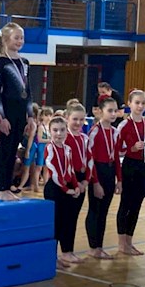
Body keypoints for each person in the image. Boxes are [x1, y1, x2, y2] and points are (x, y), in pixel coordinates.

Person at [0, 22, 34, 201]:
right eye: (16, 37)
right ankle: (1, 188)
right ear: (6, 40)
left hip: (20, 112)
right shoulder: (0, 62)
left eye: (22, 38)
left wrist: (30, 116)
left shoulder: (25, 62)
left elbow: (28, 91)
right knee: (5, 150)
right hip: (7, 111)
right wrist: (1, 117)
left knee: (13, 152)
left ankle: (7, 187)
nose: (20, 41)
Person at [116, 89, 145, 256]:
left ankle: (130, 242)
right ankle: (121, 243)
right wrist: (132, 148)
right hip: (130, 166)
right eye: (137, 103)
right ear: (129, 104)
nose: (140, 106)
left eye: (143, 103)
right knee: (126, 204)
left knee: (137, 205)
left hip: (143, 166)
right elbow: (118, 149)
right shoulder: (124, 125)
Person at [86, 96, 122, 260]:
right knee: (95, 210)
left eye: (115, 111)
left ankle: (99, 247)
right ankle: (93, 247)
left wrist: (119, 180)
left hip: (109, 172)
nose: (113, 114)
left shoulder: (115, 132)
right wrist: (95, 182)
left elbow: (116, 158)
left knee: (104, 212)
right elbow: (90, 159)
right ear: (100, 112)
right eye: (110, 111)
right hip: (97, 172)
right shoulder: (94, 132)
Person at [43, 116, 81, 270]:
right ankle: (52, 257)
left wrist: (76, 186)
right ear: (50, 131)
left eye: (62, 130)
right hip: (54, 188)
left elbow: (70, 170)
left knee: (65, 222)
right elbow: (53, 171)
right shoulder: (49, 148)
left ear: (66, 131)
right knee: (55, 224)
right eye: (55, 130)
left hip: (66, 188)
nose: (59, 133)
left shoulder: (67, 149)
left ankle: (62, 254)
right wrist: (67, 189)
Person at [64, 102, 91, 264]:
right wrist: (75, 184)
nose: (78, 123)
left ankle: (69, 251)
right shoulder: (64, 138)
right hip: (68, 180)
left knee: (73, 217)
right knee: (64, 218)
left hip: (81, 181)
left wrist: (85, 181)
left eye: (81, 120)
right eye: (75, 119)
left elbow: (90, 161)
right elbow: (65, 164)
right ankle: (63, 252)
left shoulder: (84, 138)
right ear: (67, 118)